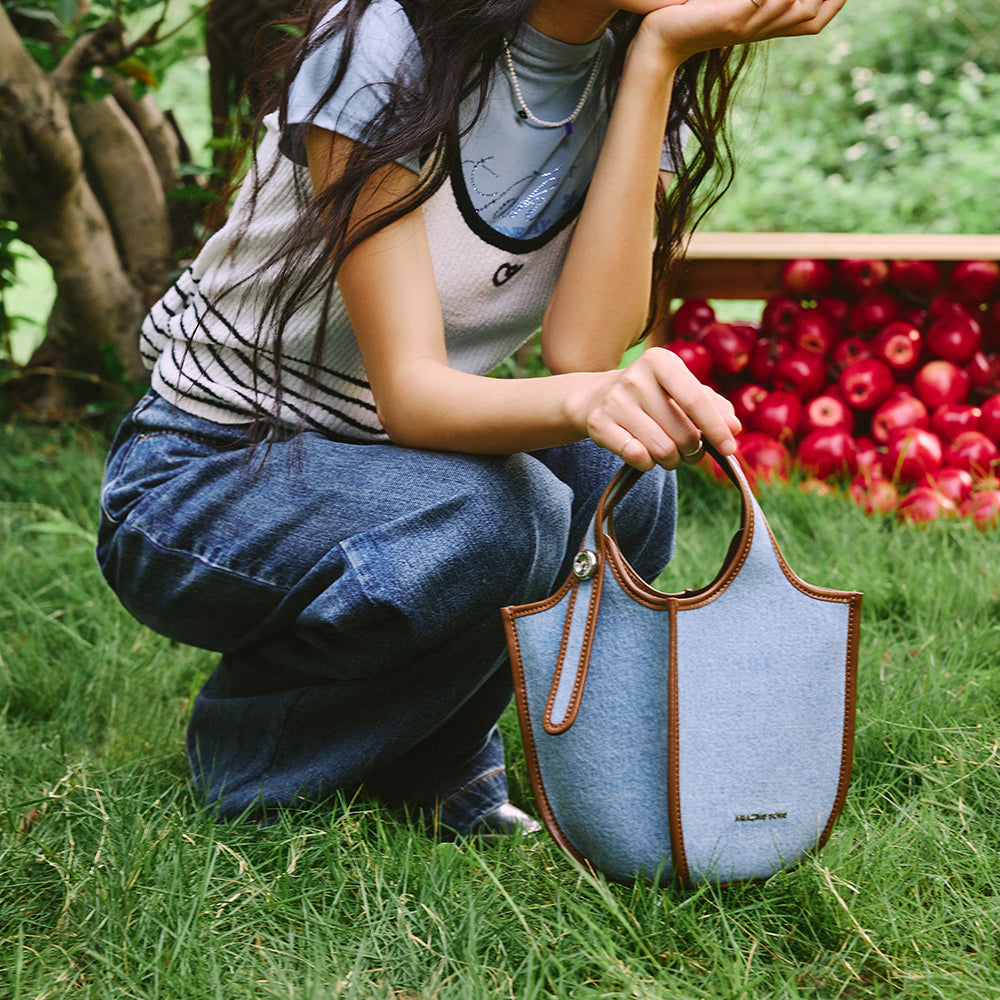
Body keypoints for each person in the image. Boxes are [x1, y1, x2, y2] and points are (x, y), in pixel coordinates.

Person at [97, 0, 846, 837]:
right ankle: (263, 764)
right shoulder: (381, 42)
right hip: (203, 473)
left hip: (382, 462)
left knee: (623, 488)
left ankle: (433, 762)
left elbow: (583, 346)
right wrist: (591, 399)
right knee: (505, 520)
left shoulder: (634, 61)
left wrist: (655, 61)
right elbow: (413, 393)